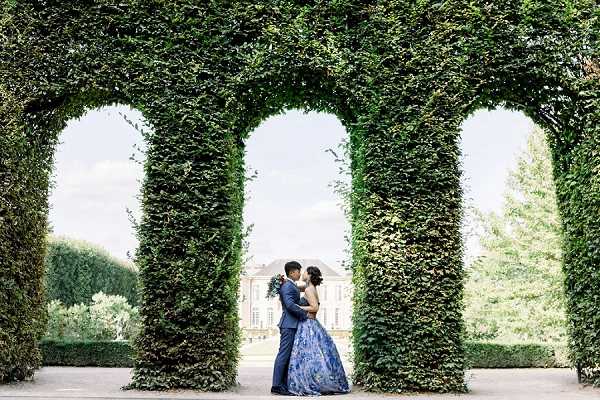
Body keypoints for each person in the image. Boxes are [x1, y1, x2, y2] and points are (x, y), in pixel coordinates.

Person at [286, 266, 351, 396]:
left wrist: (297, 307)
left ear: (309, 275)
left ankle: (312, 382)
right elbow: (296, 287)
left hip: (308, 324)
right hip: (311, 323)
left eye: (305, 272)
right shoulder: (309, 288)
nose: (302, 273)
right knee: (315, 355)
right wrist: (284, 282)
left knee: (308, 355)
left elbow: (314, 308)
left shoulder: (309, 289)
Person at [271, 261, 314, 396]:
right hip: (288, 325)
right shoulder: (287, 286)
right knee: (284, 355)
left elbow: (294, 300)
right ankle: (277, 386)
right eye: (298, 271)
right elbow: (290, 305)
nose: (300, 273)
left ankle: (282, 384)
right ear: (291, 272)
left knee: (288, 355)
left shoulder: (290, 285)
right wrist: (305, 314)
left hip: (291, 324)